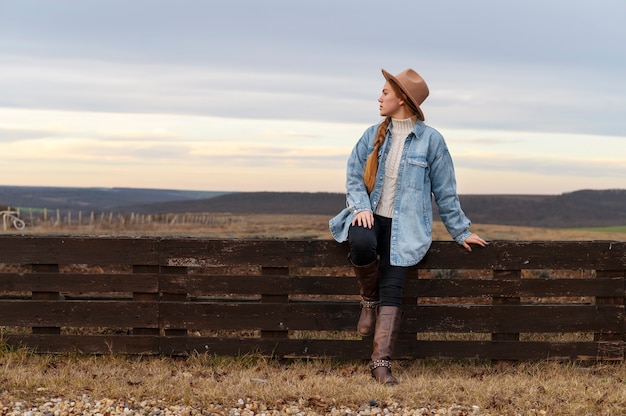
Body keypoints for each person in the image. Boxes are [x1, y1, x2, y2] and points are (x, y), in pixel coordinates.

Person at [329, 68, 487, 385]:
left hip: (408, 229)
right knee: (359, 243)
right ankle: (368, 301)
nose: (380, 97)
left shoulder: (432, 141)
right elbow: (353, 176)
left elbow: (445, 191)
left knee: (393, 290)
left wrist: (461, 231)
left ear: (402, 99)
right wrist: (360, 207)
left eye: (385, 93)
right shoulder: (370, 134)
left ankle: (380, 365)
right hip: (369, 218)